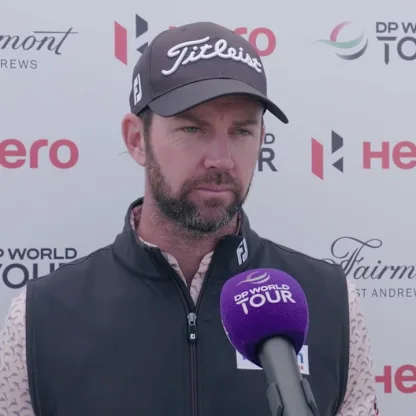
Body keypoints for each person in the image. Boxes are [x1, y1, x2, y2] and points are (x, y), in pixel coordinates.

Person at [0, 21, 378, 416]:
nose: (222, 159)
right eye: (193, 128)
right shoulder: (40, 316)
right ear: (136, 139)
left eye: (242, 131)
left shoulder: (333, 302)